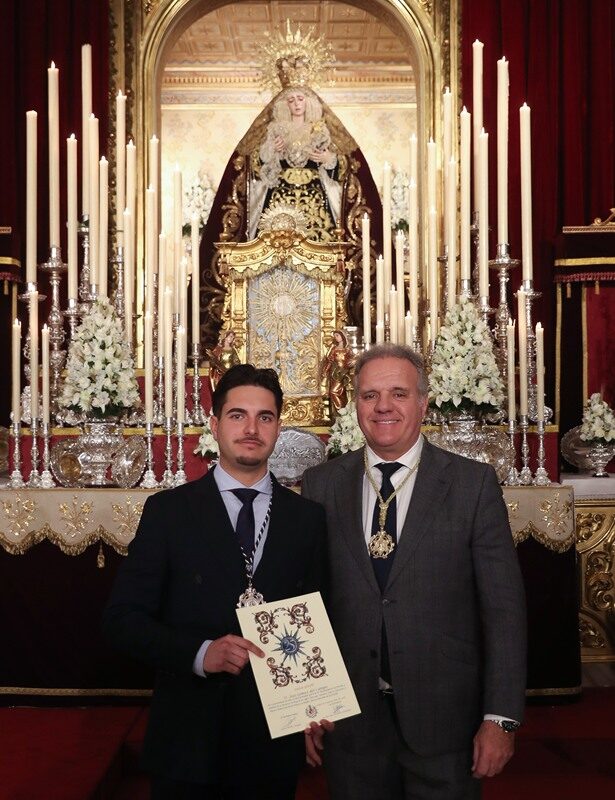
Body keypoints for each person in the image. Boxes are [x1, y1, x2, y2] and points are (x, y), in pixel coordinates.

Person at [301, 343, 527, 799]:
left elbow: (503, 611)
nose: (383, 406)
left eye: (398, 394)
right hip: (350, 723)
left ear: (423, 403)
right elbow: (309, 601)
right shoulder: (322, 484)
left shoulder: (471, 484)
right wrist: (306, 703)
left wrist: (500, 718)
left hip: (446, 721)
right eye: (369, 395)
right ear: (355, 405)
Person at [103, 364, 326, 799]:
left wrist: (311, 708)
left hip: (272, 741)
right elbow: (121, 621)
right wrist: (201, 653)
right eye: (237, 415)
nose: (251, 429)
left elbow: (318, 619)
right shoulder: (169, 512)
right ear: (214, 424)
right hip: (188, 739)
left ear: (279, 428)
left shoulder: (308, 519)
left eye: (264, 417)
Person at [249, 86, 341, 241]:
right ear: (285, 105)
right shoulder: (276, 129)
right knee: (279, 237)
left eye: (300, 99)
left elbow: (337, 163)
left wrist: (327, 158)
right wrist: (272, 149)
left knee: (316, 235)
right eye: (291, 100)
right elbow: (260, 162)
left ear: (308, 102)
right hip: (282, 192)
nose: (297, 104)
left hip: (313, 193)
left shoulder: (318, 128)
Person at [321, 329, 355, 418]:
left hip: (344, 373)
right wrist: (325, 371)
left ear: (342, 336)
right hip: (335, 373)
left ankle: (342, 411)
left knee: (338, 392)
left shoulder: (347, 349)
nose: (336, 338)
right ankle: (339, 412)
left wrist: (354, 361)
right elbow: (330, 361)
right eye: (335, 336)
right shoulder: (334, 349)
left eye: (337, 335)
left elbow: (352, 359)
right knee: (333, 392)